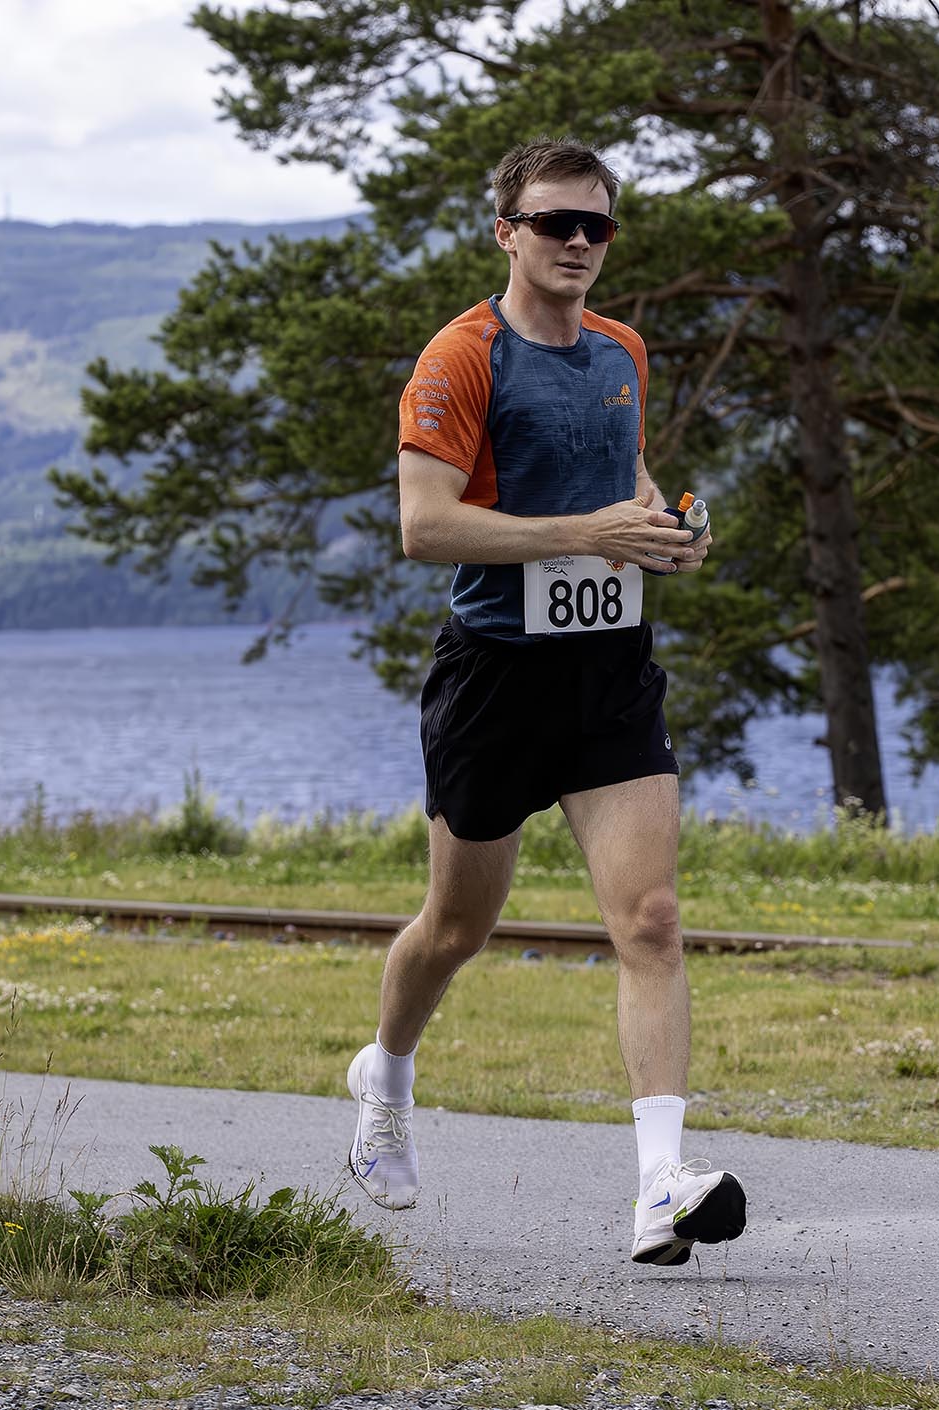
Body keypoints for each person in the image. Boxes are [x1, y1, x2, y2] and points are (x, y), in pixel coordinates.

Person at [344, 138, 747, 1267]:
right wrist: (589, 535)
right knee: (457, 928)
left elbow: (623, 476)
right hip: (493, 680)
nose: (578, 243)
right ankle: (386, 1076)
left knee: (651, 919)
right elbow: (424, 526)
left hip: (608, 669)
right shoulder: (461, 357)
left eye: (597, 227)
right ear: (505, 232)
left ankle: (661, 1186)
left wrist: (669, 533)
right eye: (556, 223)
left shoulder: (621, 350)